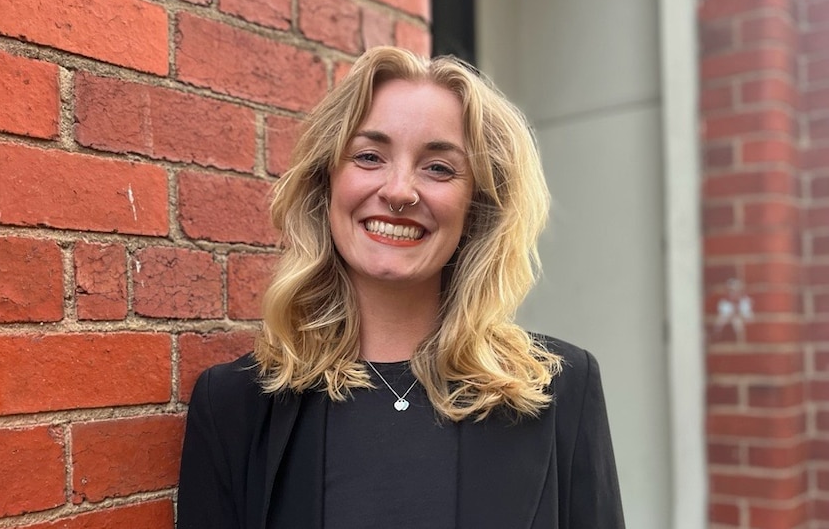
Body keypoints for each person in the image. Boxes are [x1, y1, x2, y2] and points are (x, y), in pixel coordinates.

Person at [177, 46, 624, 529]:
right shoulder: (235, 405)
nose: (398, 191)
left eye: (438, 167)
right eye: (369, 157)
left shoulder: (560, 390)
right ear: (326, 183)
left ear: (478, 205)